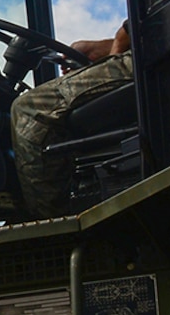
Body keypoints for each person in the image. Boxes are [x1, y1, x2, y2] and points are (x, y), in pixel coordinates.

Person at [9, 21, 133, 219]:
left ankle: (53, 224)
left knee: (30, 109)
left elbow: (152, 14)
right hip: (149, 45)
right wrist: (104, 48)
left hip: (147, 51)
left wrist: (118, 44)